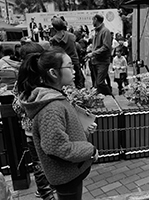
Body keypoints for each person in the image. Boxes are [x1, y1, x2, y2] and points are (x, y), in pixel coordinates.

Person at [16, 46, 99, 200]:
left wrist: (84, 131)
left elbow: (60, 135)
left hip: (70, 172)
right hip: (66, 176)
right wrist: (90, 150)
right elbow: (57, 147)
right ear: (53, 73)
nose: (74, 70)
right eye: (69, 66)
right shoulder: (51, 108)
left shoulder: (54, 97)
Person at [12, 42, 56, 200]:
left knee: (38, 164)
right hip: (45, 130)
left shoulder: (21, 82)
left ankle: (44, 192)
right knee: (47, 161)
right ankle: (48, 190)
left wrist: (26, 108)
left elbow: (16, 108)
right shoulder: (47, 79)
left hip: (31, 131)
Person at [50, 17, 85, 89]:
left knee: (66, 85)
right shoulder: (72, 36)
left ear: (54, 28)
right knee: (79, 82)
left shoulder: (53, 40)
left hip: (63, 64)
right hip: (75, 62)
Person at [86, 14, 112, 95]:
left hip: (102, 61)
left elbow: (106, 47)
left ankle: (110, 96)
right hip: (95, 61)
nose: (92, 22)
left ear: (96, 19)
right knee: (96, 84)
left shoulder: (105, 31)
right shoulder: (96, 31)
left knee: (100, 82)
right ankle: (101, 99)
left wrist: (93, 53)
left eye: (93, 20)